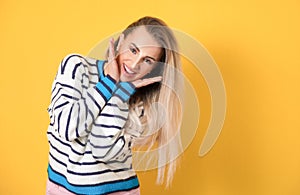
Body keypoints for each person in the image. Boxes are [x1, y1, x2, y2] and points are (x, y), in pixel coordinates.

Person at [46, 16, 183, 195]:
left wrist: (119, 95)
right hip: (63, 189)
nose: (135, 64)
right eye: (133, 50)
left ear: (153, 70)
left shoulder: (141, 105)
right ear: (120, 41)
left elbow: (101, 150)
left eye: (147, 60)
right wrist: (108, 82)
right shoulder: (76, 67)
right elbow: (67, 128)